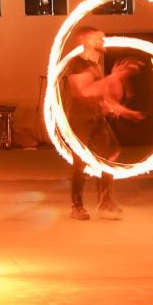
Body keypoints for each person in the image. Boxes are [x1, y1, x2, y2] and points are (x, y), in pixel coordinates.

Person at [62, 25, 144, 220]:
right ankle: (77, 206)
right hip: (80, 120)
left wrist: (120, 109)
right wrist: (115, 77)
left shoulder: (96, 66)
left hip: (97, 119)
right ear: (82, 41)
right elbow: (84, 91)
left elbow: (100, 95)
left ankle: (104, 202)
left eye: (102, 37)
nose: (102, 41)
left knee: (110, 156)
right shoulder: (77, 64)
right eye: (96, 38)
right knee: (80, 163)